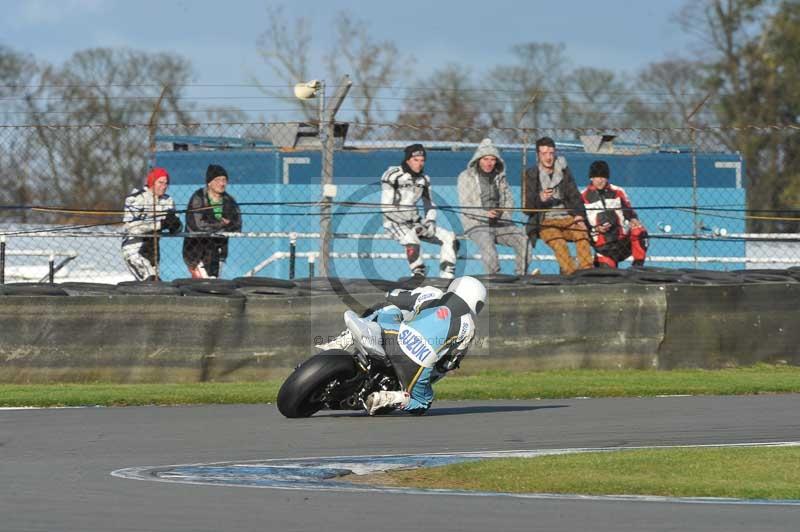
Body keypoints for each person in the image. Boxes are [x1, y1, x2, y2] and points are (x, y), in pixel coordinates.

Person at [343, 276, 486, 415]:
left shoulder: (432, 294)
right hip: (416, 366)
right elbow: (449, 363)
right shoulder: (469, 327)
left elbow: (392, 296)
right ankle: (392, 398)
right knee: (423, 403)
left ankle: (345, 337)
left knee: (387, 307)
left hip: (395, 337)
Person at [457, 138, 533, 276]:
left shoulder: (500, 177)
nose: (489, 163)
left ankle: (522, 277)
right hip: (476, 224)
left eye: (492, 159)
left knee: (524, 241)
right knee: (489, 248)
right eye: (485, 159)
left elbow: (509, 201)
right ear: (478, 159)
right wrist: (485, 214)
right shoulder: (465, 177)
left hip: (500, 223)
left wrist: (502, 214)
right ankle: (494, 281)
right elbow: (465, 206)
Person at [381, 143, 458, 279]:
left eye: (422, 160)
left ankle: (447, 275)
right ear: (407, 160)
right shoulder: (392, 175)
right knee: (412, 239)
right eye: (415, 160)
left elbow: (429, 204)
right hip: (393, 222)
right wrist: (410, 222)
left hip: (415, 222)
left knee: (449, 237)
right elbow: (386, 207)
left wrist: (430, 221)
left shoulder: (424, 180)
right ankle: (418, 274)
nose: (419, 164)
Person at [523, 136, 593, 275]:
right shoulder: (531, 174)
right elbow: (527, 207)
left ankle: (587, 271)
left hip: (567, 217)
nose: (548, 157)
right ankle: (570, 274)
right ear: (538, 155)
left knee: (582, 235)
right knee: (559, 242)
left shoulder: (564, 171)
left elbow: (575, 196)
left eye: (551, 153)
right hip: (545, 220)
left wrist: (579, 216)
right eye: (544, 154)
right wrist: (540, 198)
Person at [581, 160, 648, 268]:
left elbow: (629, 211)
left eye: (603, 177)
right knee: (607, 277)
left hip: (623, 241)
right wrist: (595, 229)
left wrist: (633, 219)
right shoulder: (583, 196)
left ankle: (638, 266)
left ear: (607, 178)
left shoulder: (618, 191)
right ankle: (603, 261)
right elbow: (582, 223)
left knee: (639, 230)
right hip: (603, 246)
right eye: (597, 177)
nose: (600, 180)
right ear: (591, 178)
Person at [182, 164, 242, 278]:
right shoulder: (198, 198)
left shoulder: (229, 201)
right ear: (209, 182)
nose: (222, 183)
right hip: (197, 252)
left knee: (214, 283)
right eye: (218, 180)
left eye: (224, 180)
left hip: (219, 251)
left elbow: (237, 225)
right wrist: (221, 224)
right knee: (204, 283)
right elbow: (197, 226)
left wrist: (216, 226)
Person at [121, 167, 182, 281]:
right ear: (151, 182)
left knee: (153, 285)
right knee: (150, 280)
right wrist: (160, 224)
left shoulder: (168, 201)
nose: (164, 186)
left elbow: (177, 227)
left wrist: (175, 225)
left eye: (166, 183)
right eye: (160, 182)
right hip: (134, 248)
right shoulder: (135, 198)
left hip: (153, 249)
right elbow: (131, 227)